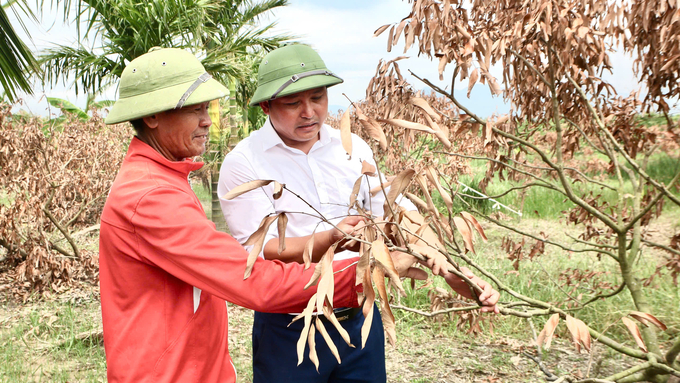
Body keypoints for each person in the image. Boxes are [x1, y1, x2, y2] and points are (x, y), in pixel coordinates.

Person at [98, 47, 421, 383]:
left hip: (193, 362)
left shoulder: (161, 181)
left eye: (206, 108)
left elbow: (387, 202)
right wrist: (367, 274)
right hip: (179, 367)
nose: (208, 120)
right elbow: (253, 277)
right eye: (196, 110)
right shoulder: (152, 197)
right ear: (152, 116)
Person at [218, 44, 500, 383]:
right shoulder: (245, 163)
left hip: (359, 319)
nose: (309, 112)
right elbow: (261, 252)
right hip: (290, 326)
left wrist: (452, 272)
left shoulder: (351, 148)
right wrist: (331, 237)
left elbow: (398, 213)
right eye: (293, 104)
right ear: (265, 105)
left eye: (318, 98)